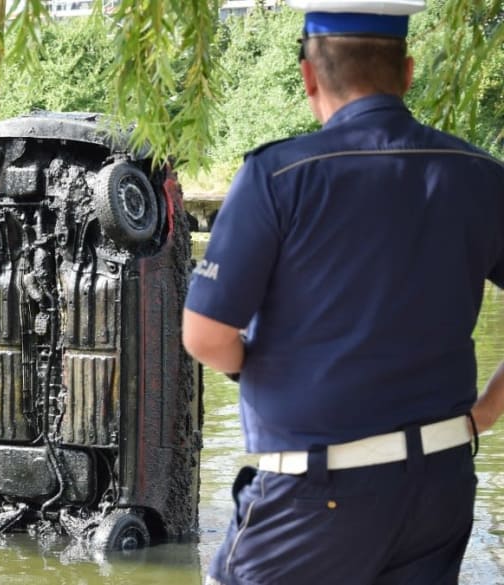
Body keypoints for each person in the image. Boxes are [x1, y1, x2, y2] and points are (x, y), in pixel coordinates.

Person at [182, 0, 504, 583]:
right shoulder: (479, 175)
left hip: (314, 495)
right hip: (441, 486)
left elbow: (204, 336)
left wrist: (247, 367)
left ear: (308, 75)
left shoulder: (278, 176)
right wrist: (488, 407)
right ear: (407, 73)